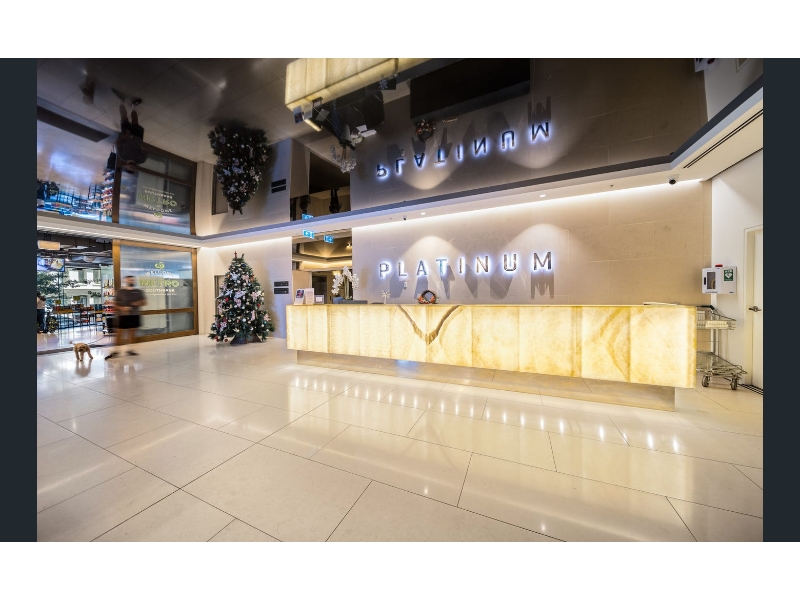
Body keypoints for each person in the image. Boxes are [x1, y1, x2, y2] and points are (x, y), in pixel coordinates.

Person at [105, 275, 147, 359]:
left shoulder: (138, 292)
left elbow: (144, 302)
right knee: (119, 333)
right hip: (123, 315)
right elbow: (115, 304)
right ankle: (116, 351)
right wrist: (122, 308)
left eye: (133, 280)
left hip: (135, 315)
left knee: (132, 332)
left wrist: (136, 303)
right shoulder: (120, 292)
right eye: (130, 280)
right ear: (125, 281)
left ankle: (130, 350)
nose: (132, 281)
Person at [112, 89, 147, 174]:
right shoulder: (141, 160)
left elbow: (117, 144)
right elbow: (145, 151)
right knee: (135, 121)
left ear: (126, 166)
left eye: (130, 168)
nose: (133, 167)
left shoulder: (121, 156)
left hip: (126, 135)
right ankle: (133, 106)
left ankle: (121, 100)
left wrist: (124, 137)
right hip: (137, 137)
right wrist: (142, 148)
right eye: (134, 169)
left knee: (124, 118)